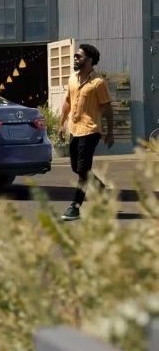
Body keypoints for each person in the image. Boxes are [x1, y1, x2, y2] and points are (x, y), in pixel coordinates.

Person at [58, 43, 113, 221]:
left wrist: (110, 132)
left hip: (90, 130)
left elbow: (107, 107)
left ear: (89, 61)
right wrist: (61, 124)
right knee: (77, 167)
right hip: (74, 129)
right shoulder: (72, 79)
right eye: (75, 56)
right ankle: (102, 190)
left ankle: (75, 207)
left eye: (78, 56)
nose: (75, 59)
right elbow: (67, 101)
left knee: (82, 171)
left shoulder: (98, 83)